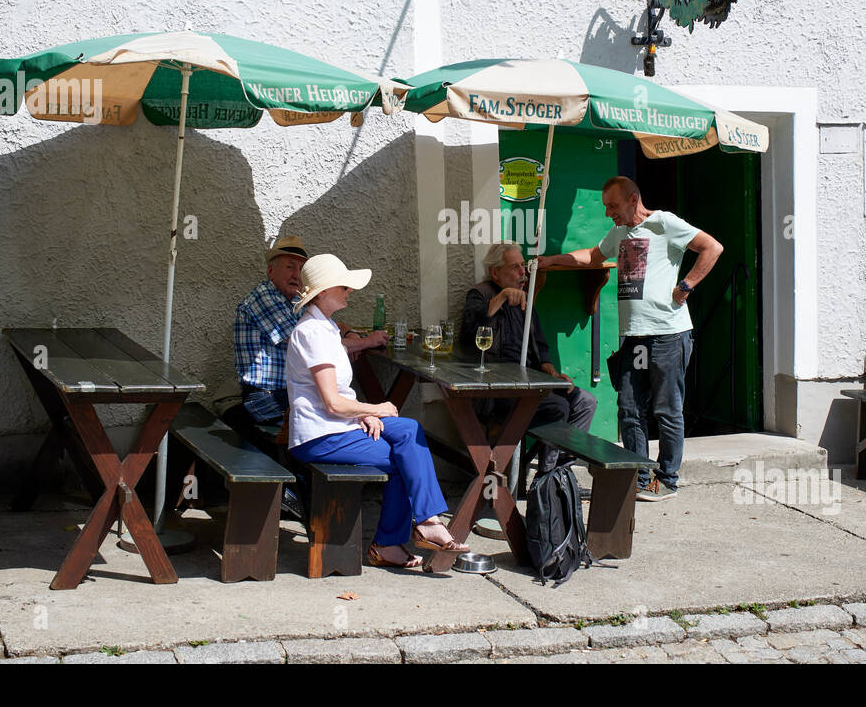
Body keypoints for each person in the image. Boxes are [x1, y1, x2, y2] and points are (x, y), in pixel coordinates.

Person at [537, 176, 723, 502]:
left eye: (613, 205)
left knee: (667, 409)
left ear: (633, 199)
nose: (609, 212)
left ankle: (667, 480)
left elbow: (712, 247)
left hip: (667, 335)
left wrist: (687, 286)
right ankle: (638, 478)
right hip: (635, 338)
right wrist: (551, 260)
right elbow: (594, 256)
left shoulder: (663, 222)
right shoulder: (621, 233)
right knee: (630, 407)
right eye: (606, 206)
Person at [285, 253, 469, 569]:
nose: (350, 291)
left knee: (409, 432)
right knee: (405, 457)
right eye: (343, 286)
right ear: (324, 291)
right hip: (319, 436)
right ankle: (400, 537)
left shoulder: (326, 327)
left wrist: (361, 413)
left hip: (339, 425)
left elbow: (340, 398)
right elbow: (332, 402)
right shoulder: (311, 333)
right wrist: (373, 407)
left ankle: (421, 525)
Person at [232, 236, 386, 520]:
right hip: (264, 398)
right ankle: (317, 505)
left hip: (286, 393)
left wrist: (349, 332)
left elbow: (331, 326)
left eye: (301, 269)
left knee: (341, 411)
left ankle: (321, 500)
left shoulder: (290, 301)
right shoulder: (266, 298)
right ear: (271, 271)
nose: (296, 275)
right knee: (337, 416)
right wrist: (366, 342)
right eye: (290, 267)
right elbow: (312, 341)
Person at [460, 241, 598, 440]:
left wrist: (552, 374)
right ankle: (548, 469)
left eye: (523, 265)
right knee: (557, 407)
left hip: (531, 382)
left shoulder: (526, 300)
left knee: (585, 402)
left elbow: (541, 349)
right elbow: (473, 324)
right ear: (495, 273)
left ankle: (559, 467)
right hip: (498, 389)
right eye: (514, 267)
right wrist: (503, 296)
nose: (522, 272)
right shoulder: (481, 293)